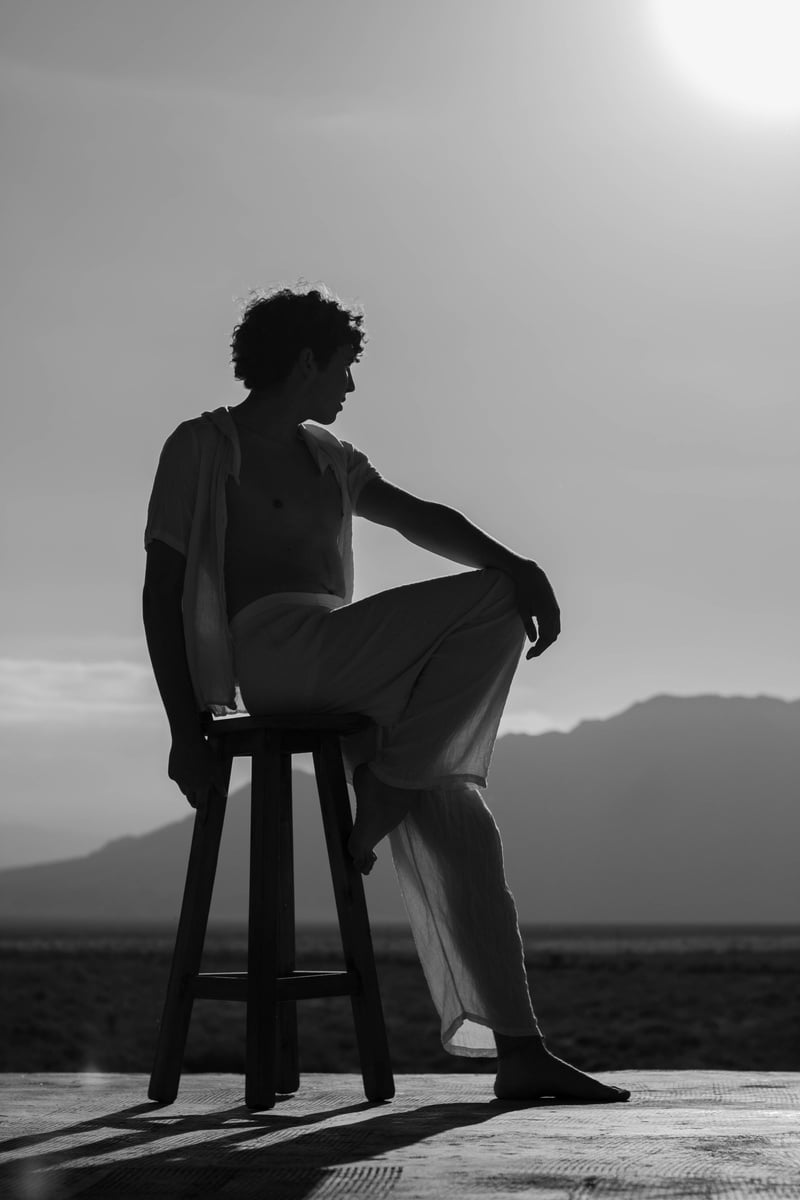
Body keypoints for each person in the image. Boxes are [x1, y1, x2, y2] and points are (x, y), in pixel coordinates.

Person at [142, 283, 630, 1103]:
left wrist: (511, 556)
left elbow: (417, 517)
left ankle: (518, 1048)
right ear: (306, 361)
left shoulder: (329, 454)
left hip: (350, 659)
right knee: (496, 597)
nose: (350, 387)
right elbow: (161, 592)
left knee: (466, 832)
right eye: (343, 367)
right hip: (276, 655)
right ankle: (390, 787)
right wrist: (186, 729)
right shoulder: (203, 446)